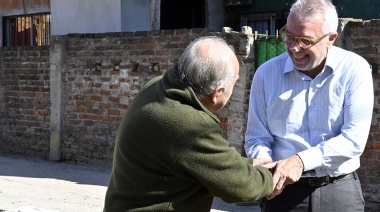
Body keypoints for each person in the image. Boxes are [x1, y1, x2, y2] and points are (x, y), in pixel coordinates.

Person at [103, 36, 274, 212]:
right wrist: (272, 176)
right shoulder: (191, 125)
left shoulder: (158, 87)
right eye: (234, 83)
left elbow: (200, 159)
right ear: (217, 93)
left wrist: (248, 164)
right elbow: (241, 187)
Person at [244, 0, 374, 211]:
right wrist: (263, 161)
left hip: (338, 190)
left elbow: (353, 139)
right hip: (282, 192)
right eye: (289, 36)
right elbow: (257, 136)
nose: (294, 48)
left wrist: (300, 161)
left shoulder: (354, 70)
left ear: (331, 38)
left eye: (305, 40)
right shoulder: (266, 74)